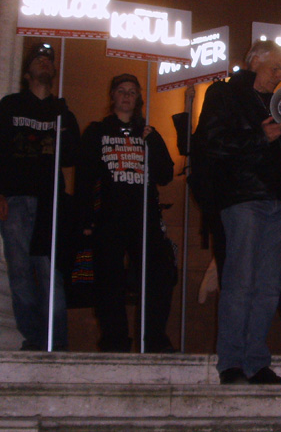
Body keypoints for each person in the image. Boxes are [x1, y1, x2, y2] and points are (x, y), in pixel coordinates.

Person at [194, 40, 281, 384]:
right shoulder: (224, 94)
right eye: (275, 67)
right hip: (243, 198)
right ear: (254, 62)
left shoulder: (279, 103)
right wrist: (260, 137)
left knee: (268, 287)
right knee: (239, 282)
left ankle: (256, 361)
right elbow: (209, 144)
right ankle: (232, 364)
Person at [0, 42, 80, 351]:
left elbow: (70, 157)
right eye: (38, 60)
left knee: (49, 271)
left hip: (49, 202)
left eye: (48, 61)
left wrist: (64, 124)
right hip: (13, 198)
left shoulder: (62, 112)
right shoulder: (11, 105)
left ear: (54, 71)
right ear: (27, 73)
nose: (44, 63)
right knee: (19, 270)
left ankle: (56, 340)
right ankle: (34, 336)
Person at [75, 74, 176, 353]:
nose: (127, 96)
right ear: (113, 96)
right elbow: (84, 177)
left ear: (138, 98)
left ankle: (154, 338)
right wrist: (84, 219)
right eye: (121, 91)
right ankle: (114, 340)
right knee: (109, 279)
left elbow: (165, 174)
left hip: (144, 217)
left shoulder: (148, 133)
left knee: (158, 274)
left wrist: (152, 142)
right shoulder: (97, 131)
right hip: (109, 215)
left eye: (132, 91)